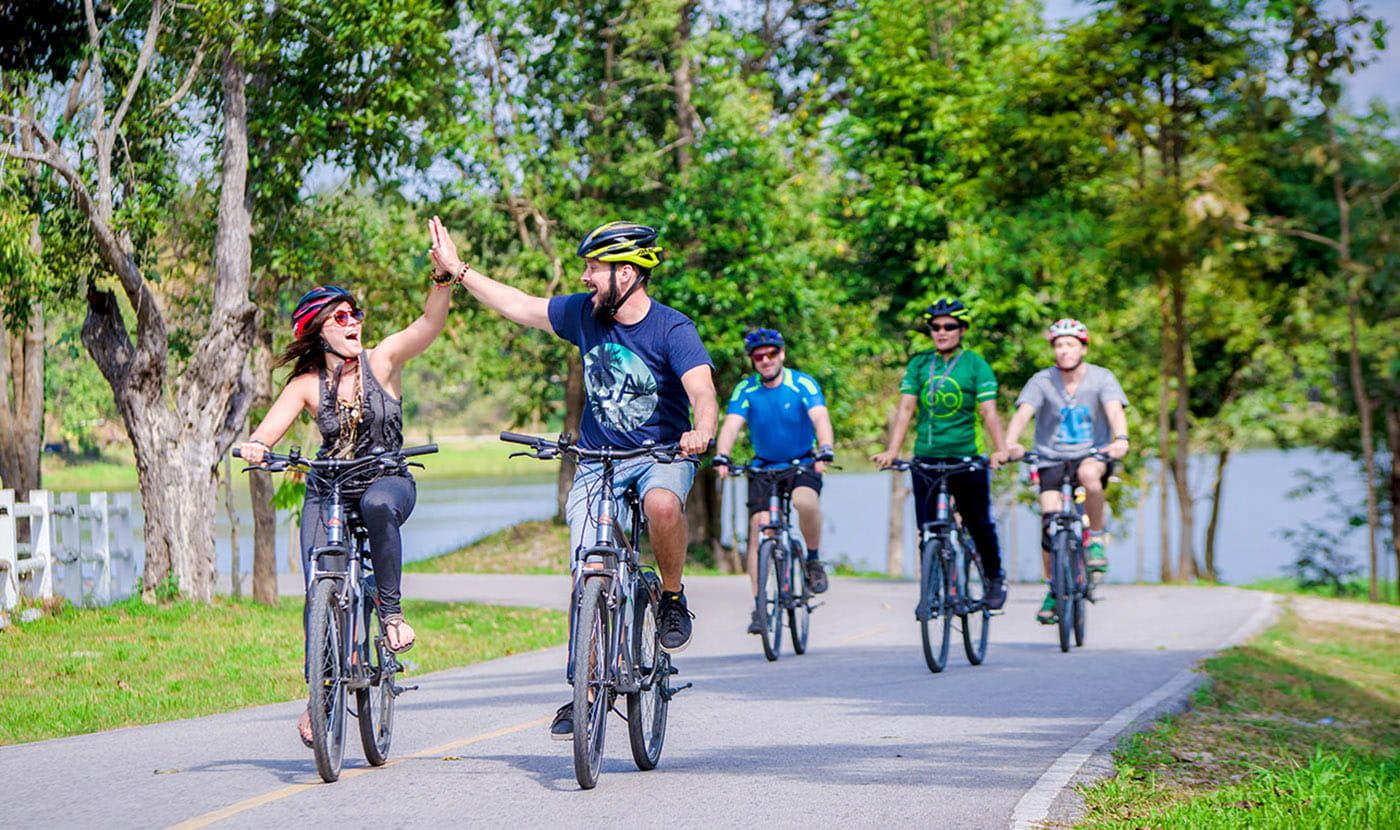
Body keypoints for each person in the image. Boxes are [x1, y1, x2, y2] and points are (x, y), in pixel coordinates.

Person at [427, 216, 717, 740]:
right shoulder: (583, 316)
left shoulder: (673, 329)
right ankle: (583, 692)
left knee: (661, 506)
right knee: (588, 571)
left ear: (625, 275)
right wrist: (459, 270)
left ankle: (671, 598)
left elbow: (702, 390)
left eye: (593, 267)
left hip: (660, 453)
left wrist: (702, 430)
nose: (585, 277)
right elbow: (519, 304)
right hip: (598, 459)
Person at [238, 274, 454, 747]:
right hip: (330, 485)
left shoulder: (383, 360)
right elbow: (267, 431)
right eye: (341, 316)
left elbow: (429, 322)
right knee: (320, 587)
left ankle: (392, 612)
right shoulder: (305, 385)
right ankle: (323, 692)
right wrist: (256, 446)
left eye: (355, 312)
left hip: (387, 478)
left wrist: (441, 279)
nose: (353, 320)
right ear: (319, 330)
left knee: (378, 504)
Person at [871, 298, 1009, 610]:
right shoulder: (920, 364)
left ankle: (994, 577)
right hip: (927, 458)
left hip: (967, 457)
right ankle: (932, 588)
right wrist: (893, 450)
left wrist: (999, 450)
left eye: (949, 327)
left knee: (978, 523)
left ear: (962, 330)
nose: (941, 332)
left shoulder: (976, 365)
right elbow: (906, 408)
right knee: (928, 529)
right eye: (935, 327)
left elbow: (988, 413)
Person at [992, 318, 1129, 625]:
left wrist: (1120, 440)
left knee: (1090, 476)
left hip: (1091, 455)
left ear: (1083, 347)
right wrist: (1009, 444)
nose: (1064, 351)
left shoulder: (1101, 378)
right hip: (1050, 458)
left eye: (1070, 344)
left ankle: (1094, 536)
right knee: (1049, 522)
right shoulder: (1042, 381)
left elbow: (1115, 412)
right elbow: (1023, 413)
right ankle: (1054, 588)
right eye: (1059, 345)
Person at [713, 328, 836, 635]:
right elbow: (731, 425)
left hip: (802, 463)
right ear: (753, 361)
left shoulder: (802, 383)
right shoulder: (747, 389)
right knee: (759, 528)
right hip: (764, 466)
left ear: (781, 354)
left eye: (771, 354)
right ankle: (760, 606)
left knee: (804, 502)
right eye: (758, 357)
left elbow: (820, 418)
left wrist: (825, 449)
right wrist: (723, 455)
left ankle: (813, 560)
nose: (765, 360)